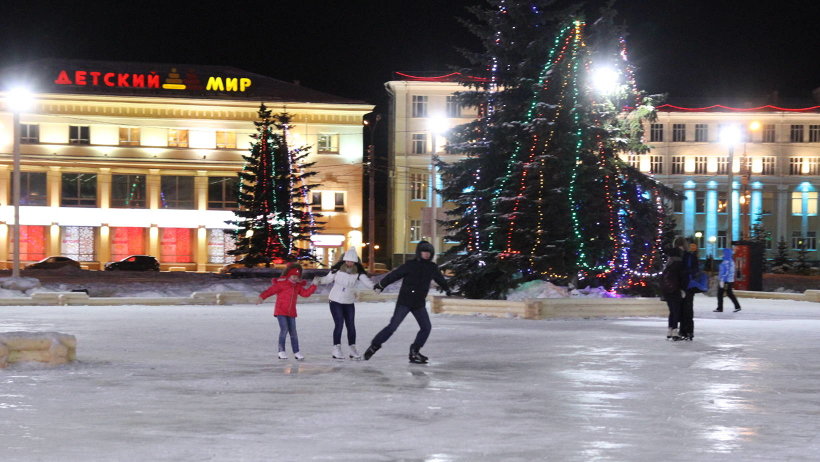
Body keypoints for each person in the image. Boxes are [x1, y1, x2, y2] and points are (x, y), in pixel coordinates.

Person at [364, 240, 451, 364]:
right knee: (392, 326)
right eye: (424, 252)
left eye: (429, 252)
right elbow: (394, 275)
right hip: (405, 302)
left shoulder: (432, 267)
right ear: (419, 253)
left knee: (426, 327)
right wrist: (381, 284)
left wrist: (447, 288)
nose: (426, 254)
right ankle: (374, 346)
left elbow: (440, 279)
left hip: (418, 303)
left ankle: (414, 351)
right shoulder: (411, 265)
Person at [316, 248, 374, 360]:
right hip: (335, 300)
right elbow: (327, 279)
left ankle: (352, 348)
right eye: (347, 261)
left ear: (355, 262)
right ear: (344, 260)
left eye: (352, 261)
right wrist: (318, 280)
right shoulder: (337, 269)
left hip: (349, 301)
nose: (349, 263)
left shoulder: (358, 272)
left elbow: (367, 282)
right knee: (339, 324)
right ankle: (336, 348)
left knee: (351, 325)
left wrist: (376, 287)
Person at [257, 262, 317, 360]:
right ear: (289, 275)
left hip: (291, 312)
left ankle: (296, 352)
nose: (294, 278)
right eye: (293, 276)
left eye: (296, 277)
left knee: (293, 332)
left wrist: (314, 286)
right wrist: (261, 297)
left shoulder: (297, 286)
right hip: (281, 311)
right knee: (284, 330)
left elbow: (305, 294)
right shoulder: (281, 284)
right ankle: (281, 351)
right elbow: (270, 291)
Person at [660, 236, 688, 341]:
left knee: (672, 310)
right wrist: (683, 288)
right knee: (676, 310)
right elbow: (681, 276)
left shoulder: (669, 261)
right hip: (675, 288)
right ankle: (675, 331)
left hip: (666, 288)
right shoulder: (680, 260)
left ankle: (670, 330)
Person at [679, 242, 702, 341]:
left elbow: (688, 271)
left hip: (686, 285)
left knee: (685, 308)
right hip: (689, 286)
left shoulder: (687, 257)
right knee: (687, 308)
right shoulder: (691, 257)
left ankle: (685, 331)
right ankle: (688, 331)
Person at [714, 247, 742, 313]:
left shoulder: (727, 262)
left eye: (723, 253)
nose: (722, 254)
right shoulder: (730, 261)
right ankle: (737, 306)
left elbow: (726, 272)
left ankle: (720, 308)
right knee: (729, 294)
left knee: (720, 294)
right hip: (728, 280)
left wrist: (722, 280)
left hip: (725, 281)